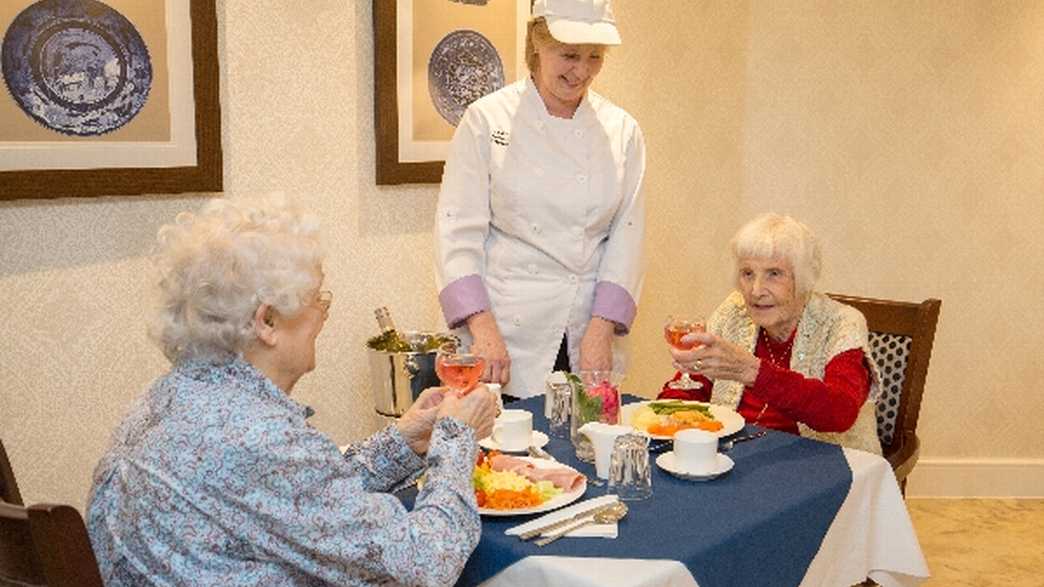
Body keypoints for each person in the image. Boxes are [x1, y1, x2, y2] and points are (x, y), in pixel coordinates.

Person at [86, 196, 498, 586]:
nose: (323, 314)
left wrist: (406, 441)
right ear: (267, 322)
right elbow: (428, 561)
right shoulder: (254, 436)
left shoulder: (168, 399)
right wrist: (455, 439)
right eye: (317, 298)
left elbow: (303, 500)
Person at [434, 0, 646, 399]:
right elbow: (456, 232)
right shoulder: (486, 120)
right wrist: (483, 329)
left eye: (594, 58)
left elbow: (628, 236)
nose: (581, 71)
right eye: (568, 55)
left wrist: (600, 329)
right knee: (506, 458)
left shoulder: (622, 131)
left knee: (581, 451)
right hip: (506, 331)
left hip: (587, 330)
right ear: (536, 42)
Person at [660, 214, 882, 454]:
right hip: (737, 454)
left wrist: (753, 372)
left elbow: (840, 412)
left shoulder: (841, 323)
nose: (756, 291)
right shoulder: (734, 310)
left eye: (774, 274)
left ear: (803, 278)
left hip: (820, 462)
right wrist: (662, 416)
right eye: (747, 274)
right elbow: (693, 383)